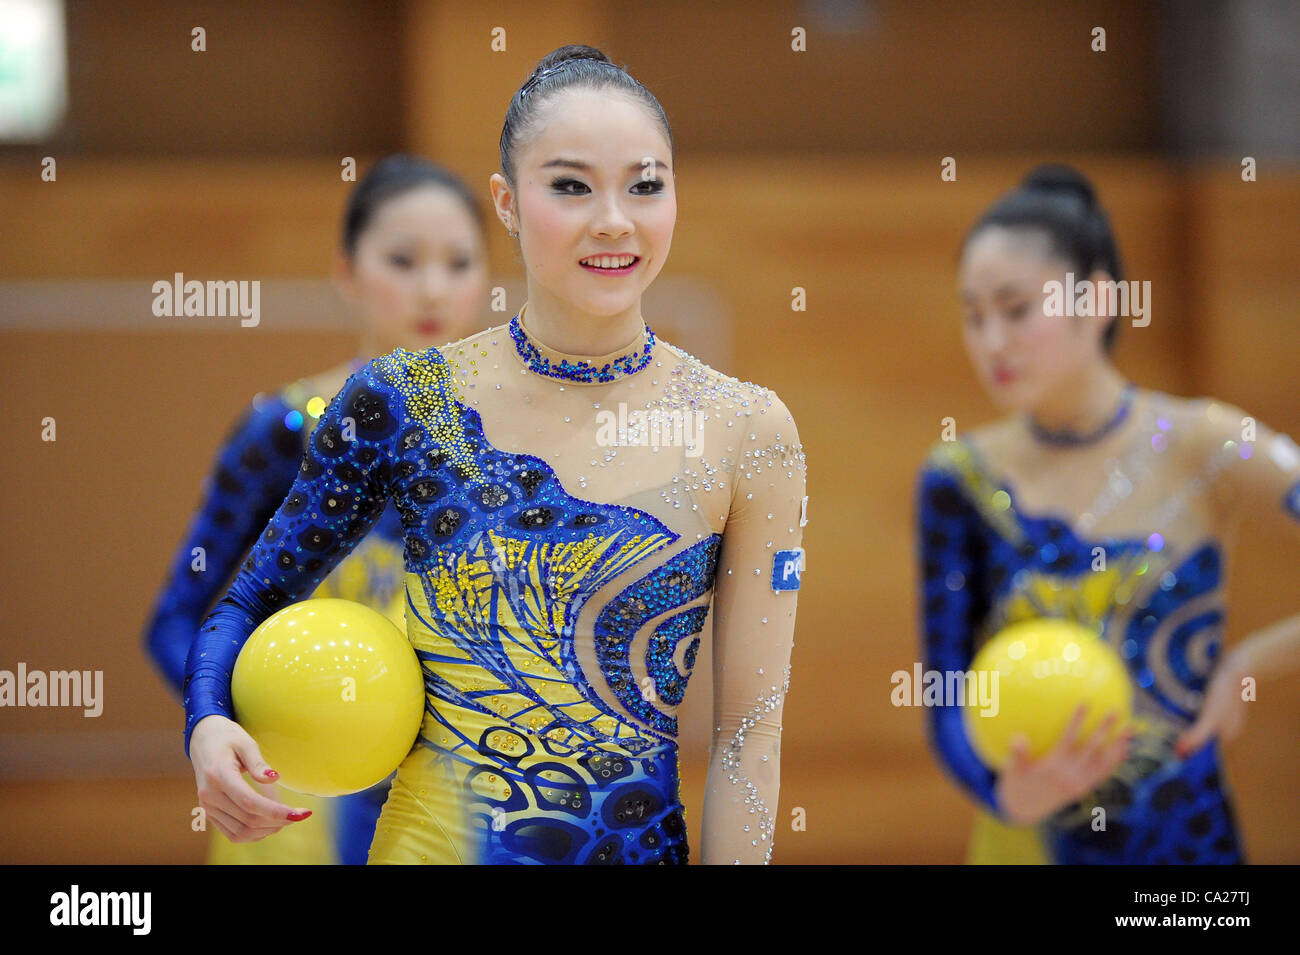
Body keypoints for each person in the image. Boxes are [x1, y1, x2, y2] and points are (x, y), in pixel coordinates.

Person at [182, 44, 808, 866]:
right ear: (508, 204)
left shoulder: (747, 429)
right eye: (572, 185)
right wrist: (207, 720)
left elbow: (748, 737)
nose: (614, 218)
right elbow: (247, 600)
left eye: (645, 184)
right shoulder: (407, 398)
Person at [916, 163, 1300, 863]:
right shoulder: (958, 479)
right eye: (973, 314)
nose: (990, 341)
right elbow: (943, 690)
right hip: (1025, 839)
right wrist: (1005, 794)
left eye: (1015, 308)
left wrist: (1249, 663)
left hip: (1184, 843)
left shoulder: (1205, 444)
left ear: (1094, 299)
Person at [144, 154, 489, 863]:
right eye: (402, 259)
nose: (432, 287)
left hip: (453, 806)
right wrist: (227, 716)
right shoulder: (283, 430)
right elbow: (176, 617)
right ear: (347, 270)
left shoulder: (516, 449)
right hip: (292, 802)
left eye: (459, 262)